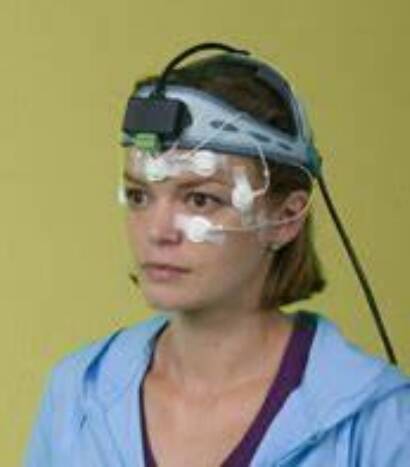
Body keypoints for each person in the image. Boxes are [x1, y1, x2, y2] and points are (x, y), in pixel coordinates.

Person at [25, 43, 410, 467]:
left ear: (285, 218)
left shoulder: (380, 421)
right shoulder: (76, 396)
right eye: (139, 196)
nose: (156, 231)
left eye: (200, 200)